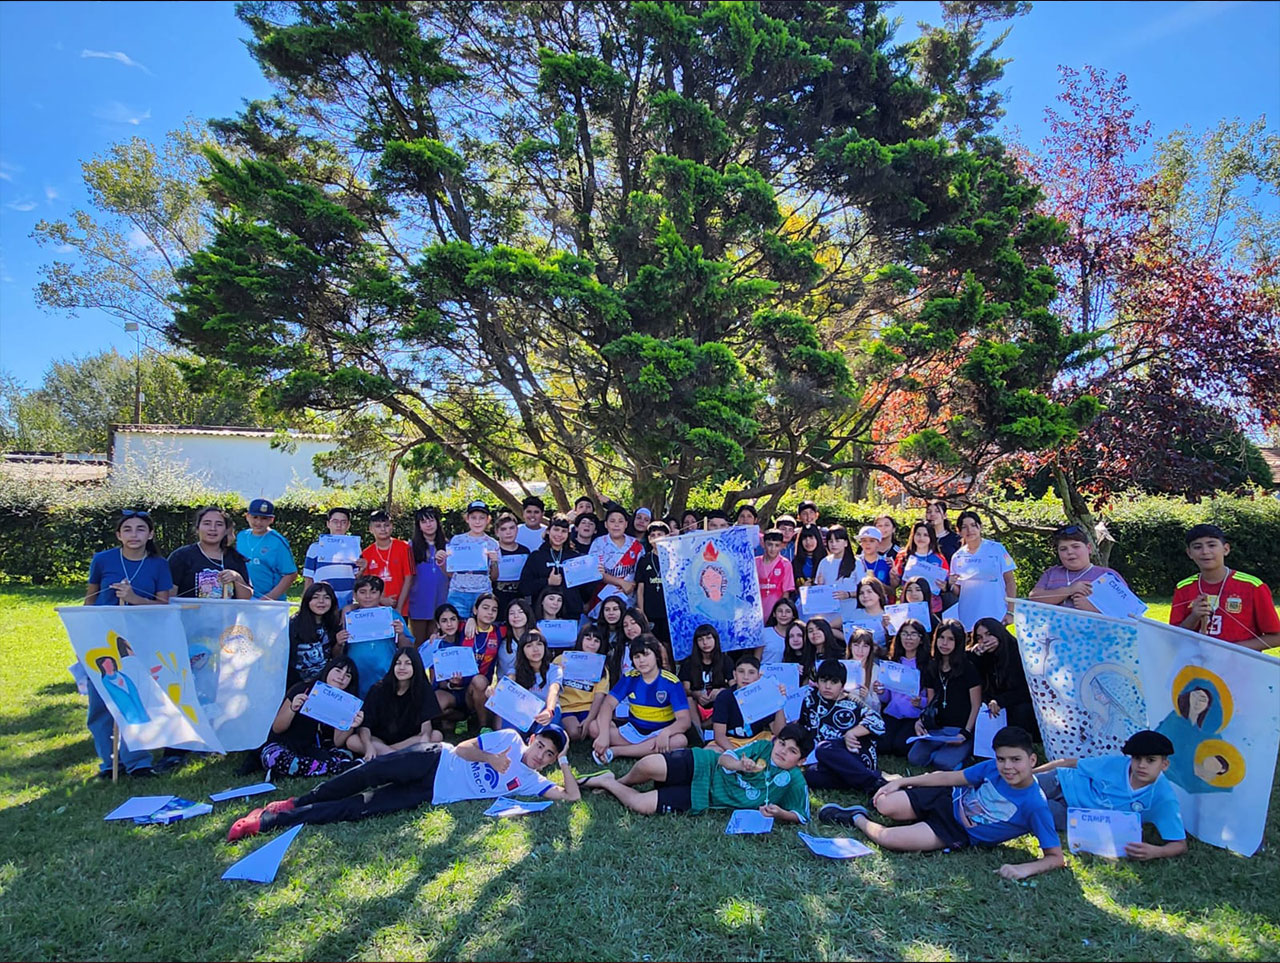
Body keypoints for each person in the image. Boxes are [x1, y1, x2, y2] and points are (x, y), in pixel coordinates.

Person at [228, 725, 580, 840]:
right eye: (541, 746)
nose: (541, 755)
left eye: (549, 754)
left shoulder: (531, 780)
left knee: (360, 808)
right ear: (532, 739)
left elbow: (571, 797)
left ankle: (273, 820)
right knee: (367, 774)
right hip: (434, 758)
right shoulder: (509, 739)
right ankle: (297, 801)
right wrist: (490, 759)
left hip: (431, 792)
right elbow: (462, 748)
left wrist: (565, 760)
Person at [818, 725, 1065, 881]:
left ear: (1033, 760)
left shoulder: (1035, 805)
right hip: (947, 797)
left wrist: (1024, 869)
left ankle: (855, 817)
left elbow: (1055, 857)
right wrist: (901, 782)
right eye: (1002, 759)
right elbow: (950, 778)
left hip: (955, 830)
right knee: (884, 803)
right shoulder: (992, 768)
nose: (1007, 766)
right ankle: (903, 801)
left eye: (1015, 759)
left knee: (889, 839)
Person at [83, 510, 173, 778]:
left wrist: (134, 599)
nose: (134, 535)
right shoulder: (102, 560)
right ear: (119, 535)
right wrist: (86, 632)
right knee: (101, 701)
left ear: (150, 534)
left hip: (141, 639)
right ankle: (109, 762)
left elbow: (163, 605)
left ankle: (138, 761)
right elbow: (90, 600)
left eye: (141, 529)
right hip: (102, 639)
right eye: (128, 529)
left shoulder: (158, 564)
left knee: (136, 698)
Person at [582, 723, 812, 823]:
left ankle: (608, 782)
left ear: (801, 760)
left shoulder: (795, 781)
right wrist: (739, 765)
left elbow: (801, 815)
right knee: (648, 765)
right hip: (705, 765)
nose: (782, 752)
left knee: (641, 805)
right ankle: (623, 781)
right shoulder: (763, 747)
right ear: (775, 740)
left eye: (792, 751)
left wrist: (781, 813)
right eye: (782, 744)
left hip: (705, 796)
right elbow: (724, 758)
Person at [1034, 729, 1187, 860]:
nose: (1142, 765)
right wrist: (1029, 774)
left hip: (1077, 817)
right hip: (1062, 782)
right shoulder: (1116, 764)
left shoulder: (1164, 799)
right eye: (1137, 758)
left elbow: (1180, 844)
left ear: (1164, 765)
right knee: (1023, 788)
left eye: (1150, 760)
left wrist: (1157, 852)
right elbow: (1068, 763)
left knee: (1032, 810)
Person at [1170, 523, 1280, 651]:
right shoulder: (1184, 588)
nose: (1205, 552)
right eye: (1197, 547)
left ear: (1226, 549)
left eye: (1212, 545)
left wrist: (1230, 650)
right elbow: (1173, 638)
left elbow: (1276, 637)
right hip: (1197, 661)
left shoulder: (1252, 586)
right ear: (1189, 553)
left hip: (1240, 662)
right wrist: (1194, 616)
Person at [260, 656, 363, 777]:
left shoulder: (346, 704)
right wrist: (292, 709)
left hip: (316, 749)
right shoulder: (303, 689)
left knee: (344, 754)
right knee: (276, 757)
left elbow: (338, 742)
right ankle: (335, 768)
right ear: (328, 670)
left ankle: (295, 769)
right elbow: (277, 728)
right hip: (286, 744)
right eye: (338, 670)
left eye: (348, 676)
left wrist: (350, 725)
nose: (341, 677)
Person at [592, 636, 691, 761]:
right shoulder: (629, 677)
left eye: (646, 655)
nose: (642, 660)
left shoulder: (671, 682)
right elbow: (608, 704)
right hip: (633, 730)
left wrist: (666, 732)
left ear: (656, 656)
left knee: (680, 740)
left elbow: (684, 720)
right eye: (637, 657)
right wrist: (604, 736)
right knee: (594, 727)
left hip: (660, 733)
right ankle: (645, 749)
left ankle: (617, 751)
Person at [798, 659, 886, 794]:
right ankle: (866, 780)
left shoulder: (852, 703)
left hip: (852, 755)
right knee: (811, 775)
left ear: (842, 685)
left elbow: (879, 723)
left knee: (824, 748)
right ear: (817, 681)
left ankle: (873, 783)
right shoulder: (810, 699)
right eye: (823, 681)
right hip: (824, 761)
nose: (827, 686)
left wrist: (852, 733)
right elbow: (801, 726)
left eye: (834, 682)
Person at [911, 619, 982, 770]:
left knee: (943, 763)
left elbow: (976, 705)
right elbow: (931, 703)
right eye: (941, 637)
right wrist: (921, 721)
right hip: (937, 728)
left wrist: (965, 733)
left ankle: (964, 755)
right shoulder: (932, 666)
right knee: (915, 758)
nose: (944, 643)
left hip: (960, 729)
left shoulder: (968, 668)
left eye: (951, 639)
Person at [350, 648, 443, 760]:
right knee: (353, 741)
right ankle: (399, 758)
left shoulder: (423, 689)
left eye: (408, 663)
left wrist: (425, 739)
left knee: (436, 736)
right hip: (379, 739)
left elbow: (426, 724)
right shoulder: (378, 689)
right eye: (398, 663)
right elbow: (365, 726)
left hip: (408, 740)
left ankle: (389, 756)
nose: (402, 667)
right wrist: (368, 746)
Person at [1028, 524, 1126, 612]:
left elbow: (1128, 610)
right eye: (1063, 549)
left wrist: (1094, 608)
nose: (1070, 552)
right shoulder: (1051, 573)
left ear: (1089, 548)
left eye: (1075, 546)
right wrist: (1069, 590)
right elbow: (1034, 598)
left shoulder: (1107, 575)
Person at [344, 574, 412, 699]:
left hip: (385, 673)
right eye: (362, 592)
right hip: (356, 674)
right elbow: (338, 651)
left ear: (381, 595)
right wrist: (340, 641)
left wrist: (401, 634)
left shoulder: (391, 615)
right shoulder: (349, 617)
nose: (368, 596)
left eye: (373, 592)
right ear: (355, 595)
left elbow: (408, 648)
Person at [945, 511, 1017, 629]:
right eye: (964, 527)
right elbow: (959, 590)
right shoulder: (957, 557)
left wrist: (1010, 611)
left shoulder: (997, 549)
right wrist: (951, 585)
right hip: (968, 616)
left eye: (973, 525)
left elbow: (1010, 582)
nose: (970, 530)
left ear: (980, 527)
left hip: (996, 613)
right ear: (959, 531)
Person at [968, 618, 1036, 735]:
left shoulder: (1016, 651)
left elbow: (1025, 690)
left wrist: (1000, 701)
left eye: (989, 634)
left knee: (1021, 710)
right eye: (980, 637)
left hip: (1019, 705)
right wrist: (975, 658)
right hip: (992, 705)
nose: (985, 640)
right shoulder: (981, 655)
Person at [167, 506, 252, 600]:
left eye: (219, 524)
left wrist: (237, 577)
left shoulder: (236, 558)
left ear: (226, 530)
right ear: (197, 528)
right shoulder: (181, 556)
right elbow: (169, 596)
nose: (212, 528)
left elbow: (246, 598)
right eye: (207, 523)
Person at [709, 654, 786, 752]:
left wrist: (779, 702)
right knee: (710, 750)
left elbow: (779, 732)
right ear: (734, 675)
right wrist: (737, 754)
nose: (746, 677)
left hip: (757, 741)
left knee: (778, 746)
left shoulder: (764, 696)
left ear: (759, 676)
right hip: (732, 741)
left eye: (751, 672)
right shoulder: (724, 697)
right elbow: (719, 735)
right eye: (741, 672)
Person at [877, 619, 930, 757]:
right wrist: (881, 692)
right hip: (892, 713)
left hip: (914, 716)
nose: (908, 638)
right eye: (905, 634)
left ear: (921, 639)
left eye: (913, 634)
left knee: (901, 747)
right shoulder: (893, 662)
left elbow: (932, 698)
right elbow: (887, 697)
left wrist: (921, 702)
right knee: (883, 746)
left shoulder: (928, 665)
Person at [519, 514, 584, 620]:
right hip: (541, 616)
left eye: (563, 531)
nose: (559, 534)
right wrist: (547, 582)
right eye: (556, 529)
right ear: (548, 531)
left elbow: (585, 590)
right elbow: (524, 587)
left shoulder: (575, 558)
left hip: (571, 614)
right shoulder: (536, 556)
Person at [555, 624, 611, 741]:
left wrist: (589, 719)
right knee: (574, 733)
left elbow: (599, 696)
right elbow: (552, 686)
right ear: (581, 639)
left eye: (596, 641)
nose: (592, 644)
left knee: (596, 729)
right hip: (567, 708)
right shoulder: (562, 659)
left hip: (589, 708)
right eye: (588, 639)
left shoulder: (601, 667)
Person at [446, 500, 500, 618]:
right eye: (473, 517)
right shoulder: (457, 541)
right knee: (457, 625)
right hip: (458, 593)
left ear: (488, 520)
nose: (477, 521)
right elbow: (450, 572)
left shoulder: (493, 543)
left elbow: (494, 577)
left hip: (482, 593)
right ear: (467, 519)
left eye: (481, 518)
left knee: (481, 625)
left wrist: (494, 561)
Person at [288, 582, 349, 686]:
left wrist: (338, 644)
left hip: (323, 682)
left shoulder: (334, 624)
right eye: (315, 597)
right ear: (307, 600)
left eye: (326, 597)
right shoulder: (293, 624)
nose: (321, 601)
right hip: (295, 681)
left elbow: (335, 657)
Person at [301, 507, 363, 609]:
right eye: (335, 521)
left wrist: (362, 568)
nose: (339, 525)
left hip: (346, 599)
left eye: (343, 522)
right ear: (328, 524)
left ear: (348, 525)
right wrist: (305, 604)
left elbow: (357, 576)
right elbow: (309, 578)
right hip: (323, 599)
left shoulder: (354, 548)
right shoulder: (315, 548)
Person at [679, 624, 736, 735]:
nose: (705, 643)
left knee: (728, 698)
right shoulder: (688, 663)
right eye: (701, 639)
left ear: (715, 639)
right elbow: (685, 689)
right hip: (697, 706)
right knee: (689, 699)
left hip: (718, 705)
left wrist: (721, 691)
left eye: (709, 638)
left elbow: (734, 686)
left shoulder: (726, 660)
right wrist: (696, 694)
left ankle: (707, 727)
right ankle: (699, 733)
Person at [236, 498, 297, 600]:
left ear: (271, 520)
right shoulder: (241, 536)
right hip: (244, 597)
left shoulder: (277, 542)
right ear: (247, 516)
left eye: (264, 518)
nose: (258, 522)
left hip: (269, 600)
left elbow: (290, 574)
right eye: (255, 517)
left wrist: (268, 599)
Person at [588, 505, 643, 616]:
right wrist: (621, 582)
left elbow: (641, 573)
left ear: (626, 524)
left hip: (628, 600)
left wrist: (632, 584)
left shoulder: (636, 545)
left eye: (620, 521)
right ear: (606, 524)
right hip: (602, 600)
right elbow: (594, 572)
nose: (616, 525)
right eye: (612, 521)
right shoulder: (598, 543)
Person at [405, 506, 449, 643]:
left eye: (431, 520)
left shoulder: (449, 545)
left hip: (441, 599)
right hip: (419, 602)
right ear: (418, 525)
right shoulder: (410, 547)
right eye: (423, 522)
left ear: (437, 522)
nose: (428, 525)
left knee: (435, 643)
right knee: (418, 643)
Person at [361, 509, 414, 616]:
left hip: (402, 607)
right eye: (378, 526)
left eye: (386, 525)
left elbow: (409, 578)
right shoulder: (366, 553)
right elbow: (366, 583)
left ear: (392, 526)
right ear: (370, 529)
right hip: (376, 607)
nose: (383, 529)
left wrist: (399, 607)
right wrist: (381, 599)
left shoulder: (404, 548)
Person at [890, 522, 949, 607]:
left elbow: (946, 584)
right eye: (918, 534)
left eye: (925, 535)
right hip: (908, 604)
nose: (921, 538)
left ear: (931, 537)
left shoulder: (940, 559)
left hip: (933, 607)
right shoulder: (903, 556)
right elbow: (895, 584)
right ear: (913, 536)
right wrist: (893, 578)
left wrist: (944, 586)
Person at [635, 519, 671, 645]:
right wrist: (641, 613)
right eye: (653, 535)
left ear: (667, 536)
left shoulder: (675, 558)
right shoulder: (644, 560)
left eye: (660, 534)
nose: (656, 538)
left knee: (669, 645)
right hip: (651, 612)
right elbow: (640, 589)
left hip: (669, 612)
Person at [493, 513, 532, 615]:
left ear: (517, 530)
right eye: (503, 529)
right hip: (497, 603)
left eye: (511, 528)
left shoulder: (525, 551)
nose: (508, 532)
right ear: (497, 532)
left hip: (520, 602)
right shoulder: (492, 551)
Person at [757, 596, 799, 664]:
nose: (783, 615)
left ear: (793, 615)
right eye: (780, 611)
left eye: (788, 611)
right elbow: (757, 659)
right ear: (774, 614)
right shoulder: (764, 633)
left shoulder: (799, 635)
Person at [782, 621, 818, 686]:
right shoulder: (786, 658)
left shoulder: (815, 657)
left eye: (799, 635)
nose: (795, 639)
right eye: (791, 636)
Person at [791, 524, 823, 590]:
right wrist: (802, 588)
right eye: (804, 538)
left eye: (811, 538)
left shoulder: (826, 561)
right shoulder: (795, 562)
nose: (808, 542)